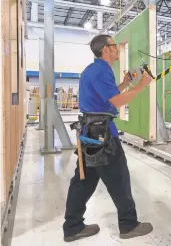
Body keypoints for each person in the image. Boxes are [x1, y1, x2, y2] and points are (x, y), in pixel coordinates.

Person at [62, 34, 153, 242]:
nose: (117, 49)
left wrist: (124, 84)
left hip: (89, 134)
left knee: (83, 181)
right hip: (102, 136)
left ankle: (72, 227)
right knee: (119, 178)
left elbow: (106, 97)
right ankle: (129, 225)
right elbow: (118, 102)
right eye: (114, 46)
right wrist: (142, 84)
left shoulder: (93, 70)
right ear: (105, 49)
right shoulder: (102, 70)